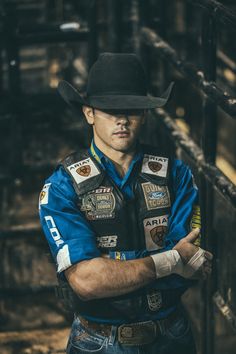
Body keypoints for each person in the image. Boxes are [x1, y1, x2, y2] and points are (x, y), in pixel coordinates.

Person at [39, 52, 213, 354]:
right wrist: (168, 260)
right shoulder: (62, 186)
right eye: (109, 109)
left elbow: (192, 260)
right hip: (97, 340)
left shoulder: (176, 174)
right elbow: (88, 282)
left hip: (170, 333)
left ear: (144, 113)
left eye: (132, 108)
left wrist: (116, 267)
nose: (122, 119)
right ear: (89, 113)